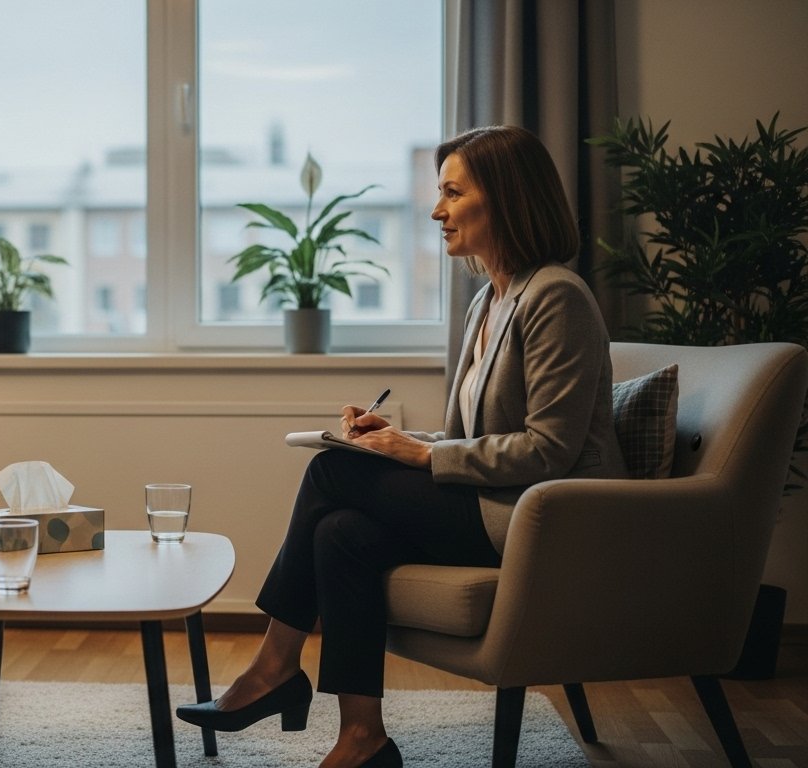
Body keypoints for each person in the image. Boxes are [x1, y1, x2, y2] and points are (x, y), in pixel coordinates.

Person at [176, 125, 628, 768]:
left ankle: (275, 665)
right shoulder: (488, 303)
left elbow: (549, 449)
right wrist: (398, 441)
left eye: (452, 192)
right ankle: (363, 738)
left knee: (333, 474)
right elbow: (474, 438)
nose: (437, 210)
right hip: (493, 502)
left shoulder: (556, 295)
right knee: (340, 531)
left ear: (505, 197)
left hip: (544, 519)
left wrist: (421, 456)